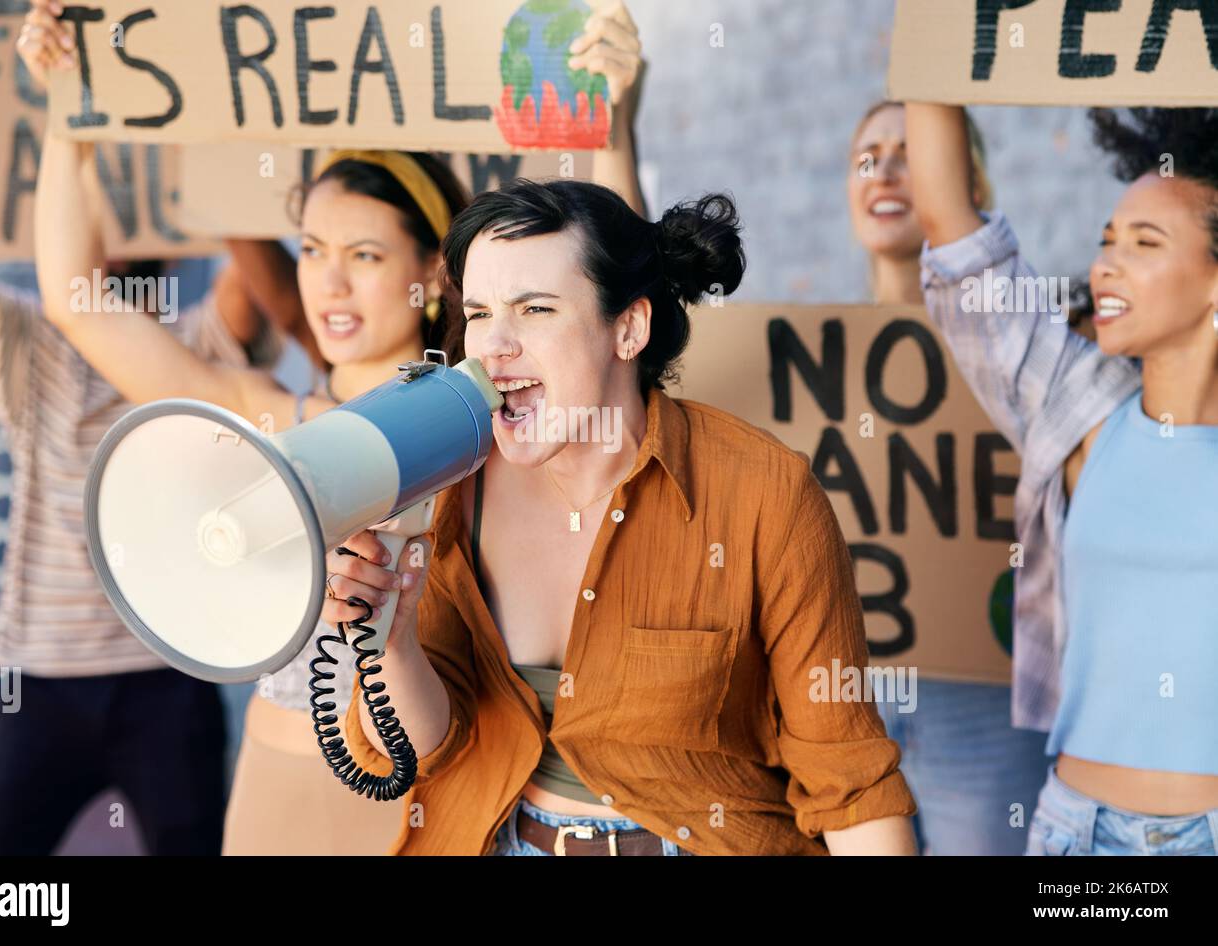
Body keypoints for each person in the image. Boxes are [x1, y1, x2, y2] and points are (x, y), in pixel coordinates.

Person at [17, 0, 650, 855]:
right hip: (276, 790)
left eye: (365, 255)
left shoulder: (502, 422)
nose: (330, 285)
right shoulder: (267, 417)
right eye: (312, 249)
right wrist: (69, 117)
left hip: (423, 793)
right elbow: (75, 305)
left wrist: (610, 125)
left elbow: (606, 315)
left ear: (434, 272)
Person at [319, 178, 920, 855]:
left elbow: (848, 783)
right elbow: (429, 746)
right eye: (481, 313)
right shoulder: (447, 481)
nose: (493, 348)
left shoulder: (765, 493)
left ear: (628, 328)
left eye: (536, 309)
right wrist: (390, 644)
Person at [907, 102, 1218, 856]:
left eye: (1146, 243)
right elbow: (953, 233)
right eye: (1107, 239)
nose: (1105, 263)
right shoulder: (1076, 413)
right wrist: (936, 50)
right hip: (1075, 831)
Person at [0, 246, 280, 855]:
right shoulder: (32, 338)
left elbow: (252, 284)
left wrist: (224, 185)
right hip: (42, 682)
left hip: (167, 676)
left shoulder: (193, 342)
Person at [845, 101, 1051, 855]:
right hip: (849, 698)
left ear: (969, 180)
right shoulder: (796, 357)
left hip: (981, 693)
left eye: (910, 150)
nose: (887, 171)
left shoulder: (1031, 348)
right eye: (867, 155)